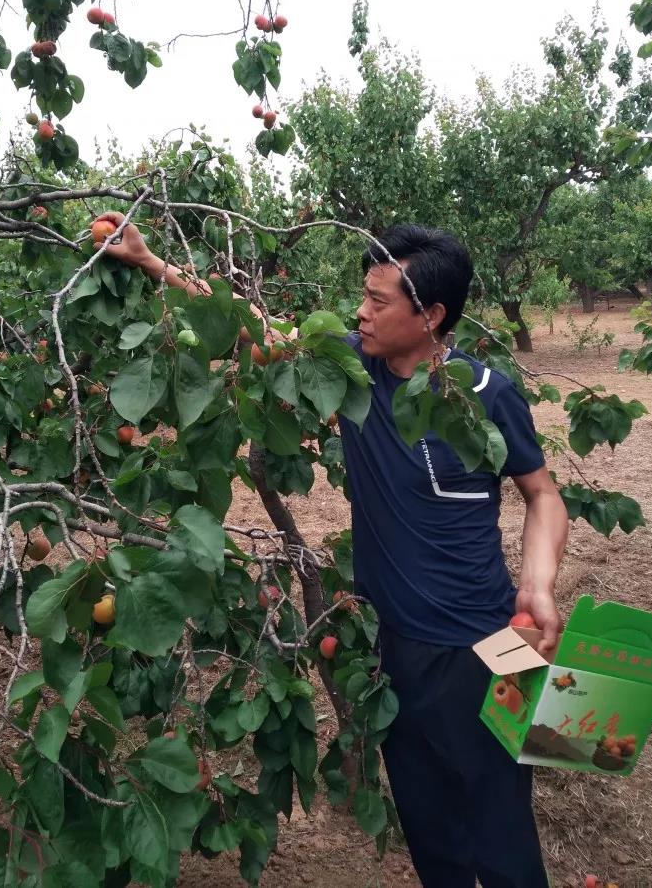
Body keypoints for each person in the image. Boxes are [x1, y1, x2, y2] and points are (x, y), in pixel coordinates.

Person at [94, 213, 568, 888]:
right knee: (431, 828)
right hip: (392, 649)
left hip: (490, 644)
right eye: (363, 297)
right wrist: (150, 262)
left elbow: (543, 495)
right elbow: (257, 329)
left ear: (430, 315)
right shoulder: (353, 374)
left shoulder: (487, 396)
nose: (361, 313)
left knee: (501, 830)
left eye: (378, 302)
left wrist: (539, 583)